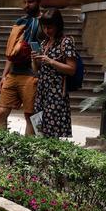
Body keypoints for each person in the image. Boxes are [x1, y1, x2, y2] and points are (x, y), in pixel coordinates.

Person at [0, 0, 43, 135]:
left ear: (38, 2)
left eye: (30, 1)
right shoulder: (20, 22)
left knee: (30, 115)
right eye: (25, 2)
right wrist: (4, 76)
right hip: (14, 73)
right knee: (1, 112)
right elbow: (12, 52)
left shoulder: (45, 22)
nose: (27, 5)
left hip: (31, 75)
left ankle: (26, 152)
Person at [32, 8, 77, 138]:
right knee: (39, 131)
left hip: (56, 92)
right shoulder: (44, 43)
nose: (47, 31)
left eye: (50, 27)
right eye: (44, 27)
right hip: (42, 91)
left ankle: (53, 157)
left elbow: (71, 69)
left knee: (53, 133)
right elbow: (37, 70)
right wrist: (34, 59)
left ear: (58, 25)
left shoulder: (66, 42)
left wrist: (50, 61)